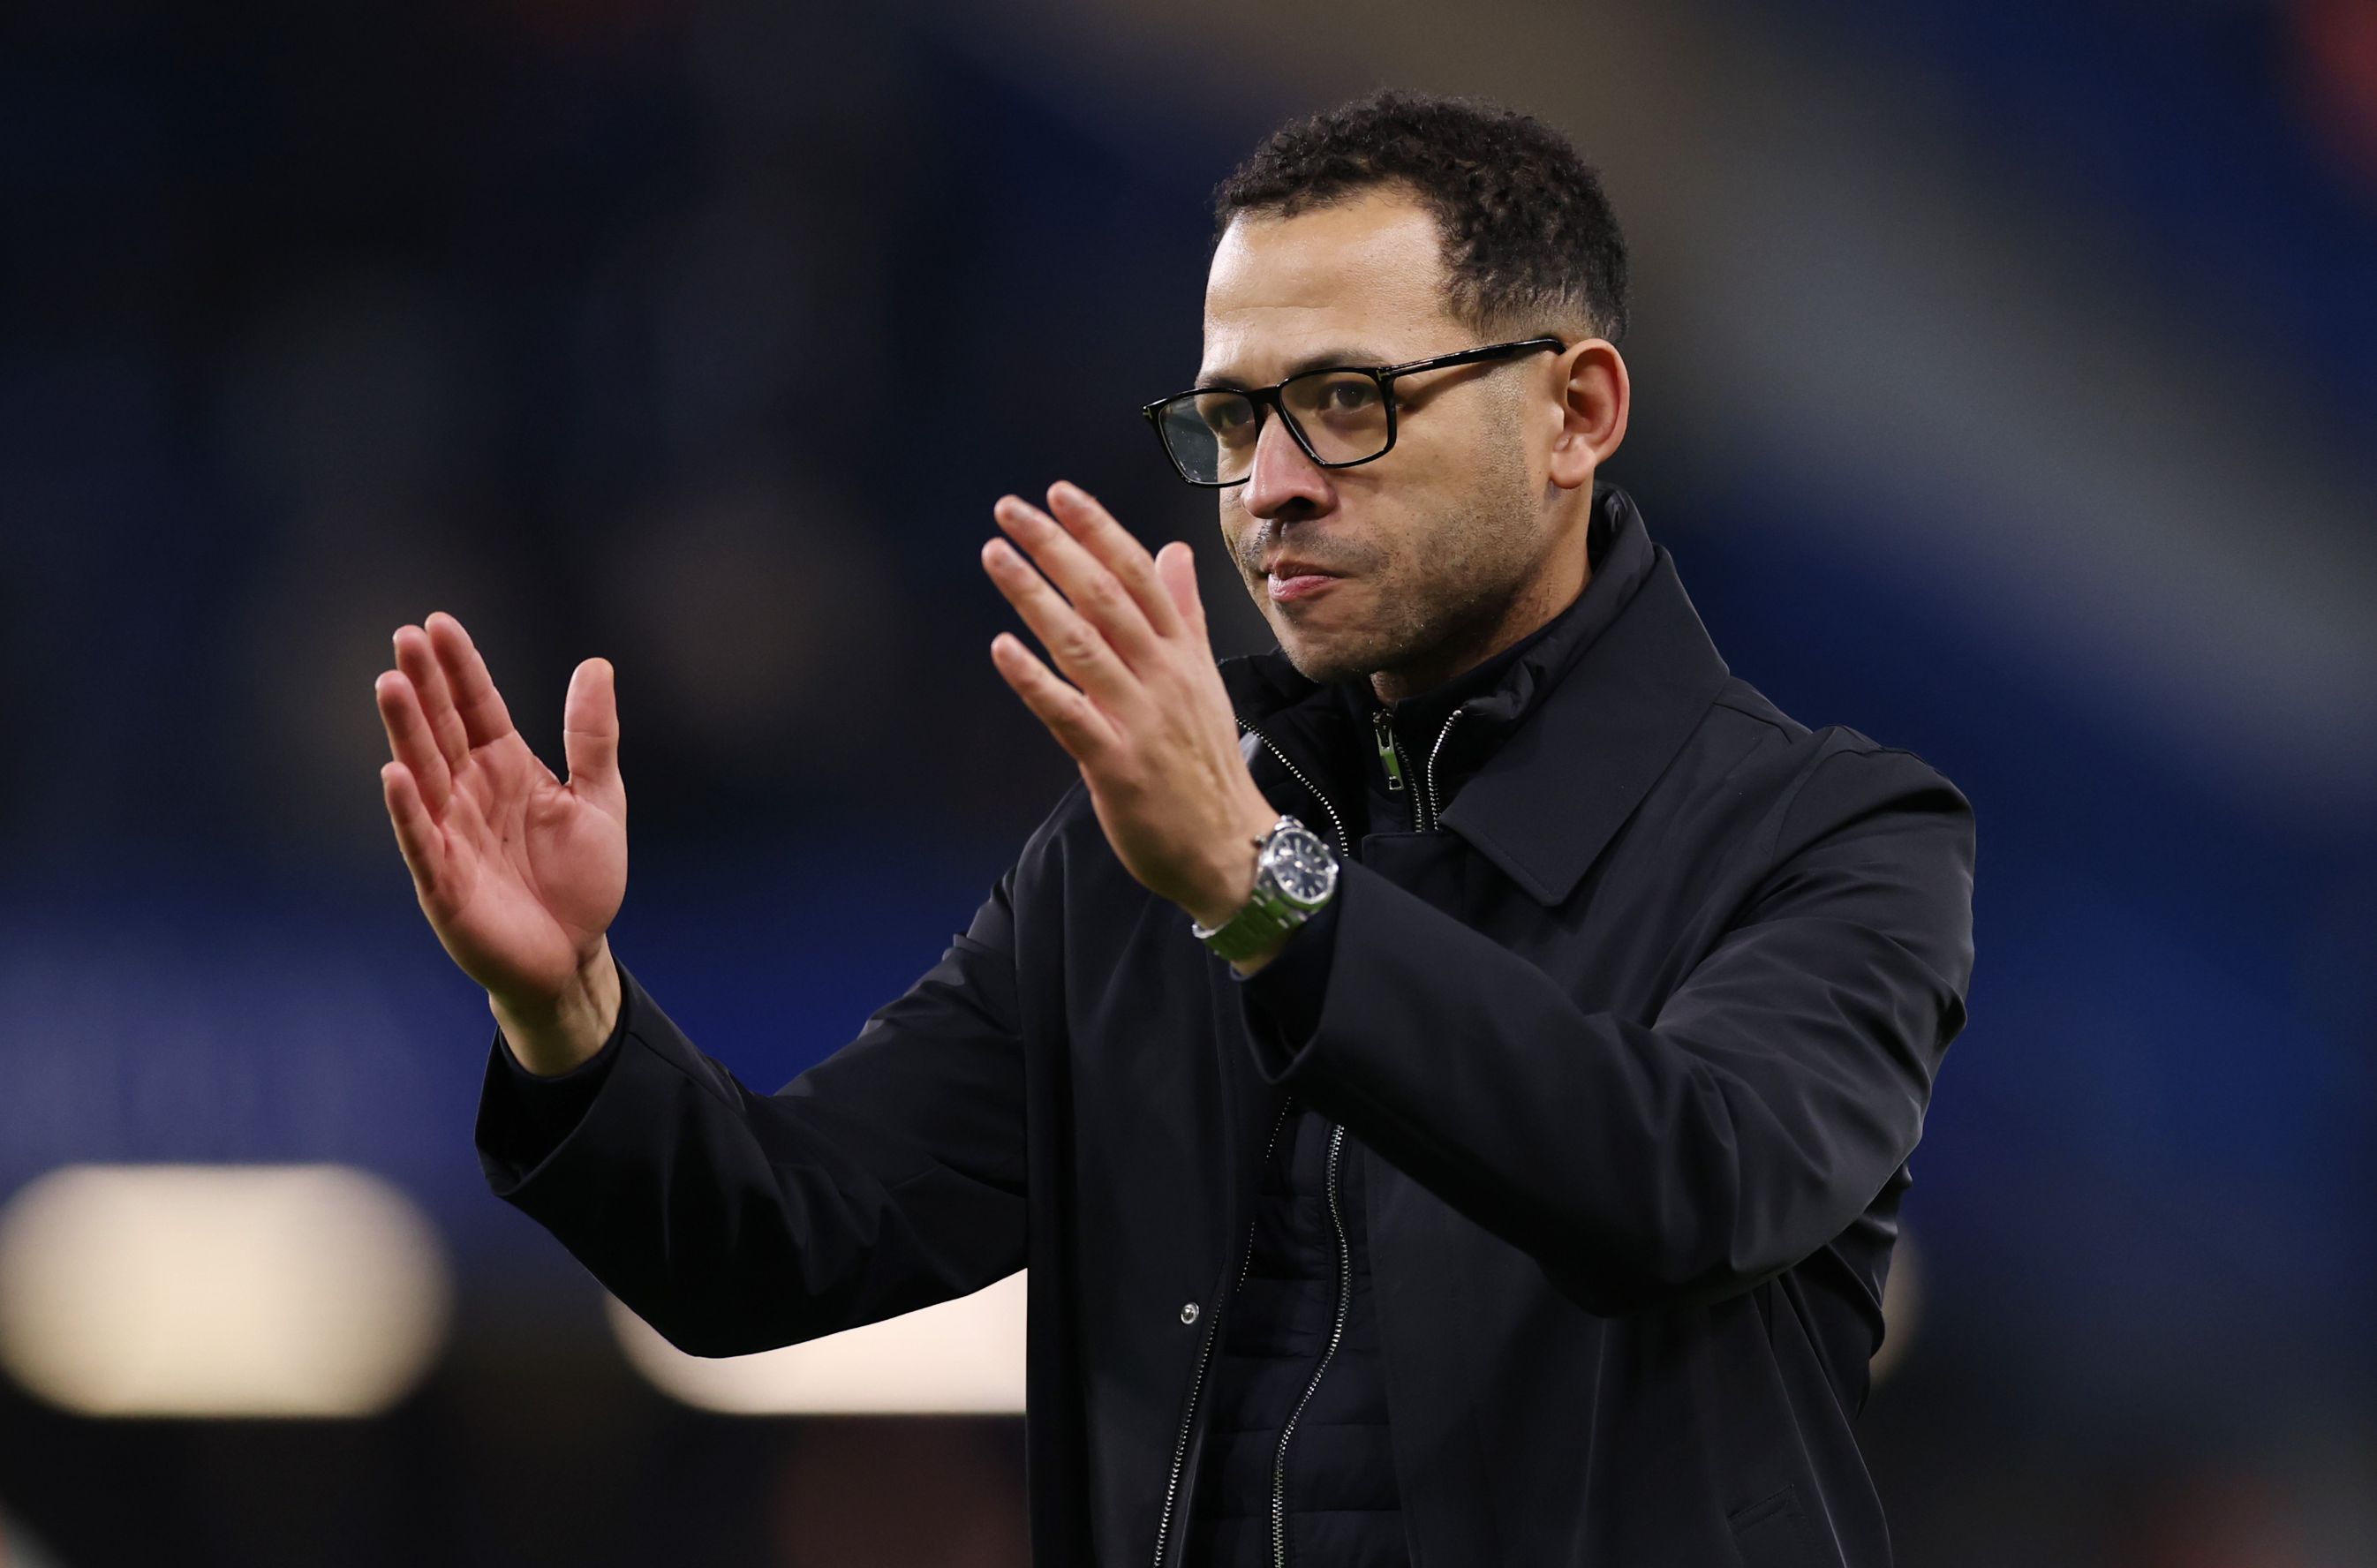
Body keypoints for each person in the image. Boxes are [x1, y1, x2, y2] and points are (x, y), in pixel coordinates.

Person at [374, 90, 1974, 1568]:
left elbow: (1687, 1187)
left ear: (1576, 411)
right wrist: (567, 1009)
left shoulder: (1836, 836)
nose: (1268, 487)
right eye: (1229, 421)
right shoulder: (1143, 845)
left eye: (1345, 400)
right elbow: (782, 1247)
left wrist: (1258, 891)